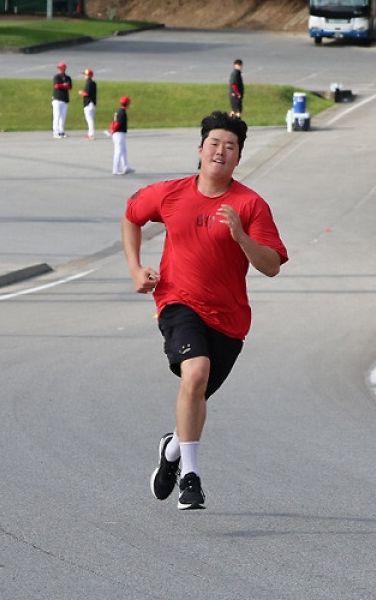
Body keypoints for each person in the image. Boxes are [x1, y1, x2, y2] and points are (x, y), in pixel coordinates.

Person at [123, 111, 289, 511]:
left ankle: (173, 450)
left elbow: (271, 266)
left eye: (230, 147)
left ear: (238, 158)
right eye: (215, 144)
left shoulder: (250, 205)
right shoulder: (171, 193)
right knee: (195, 374)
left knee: (195, 394)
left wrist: (241, 237)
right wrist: (135, 268)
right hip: (178, 303)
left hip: (230, 321)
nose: (221, 151)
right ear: (200, 150)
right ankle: (191, 477)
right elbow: (132, 215)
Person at [110, 95, 134, 175]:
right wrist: (113, 131)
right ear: (127, 103)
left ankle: (126, 166)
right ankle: (115, 169)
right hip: (119, 134)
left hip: (120, 133)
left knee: (123, 151)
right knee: (118, 151)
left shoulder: (119, 111)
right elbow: (117, 123)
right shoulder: (122, 112)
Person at [51, 62, 72, 138]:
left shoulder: (68, 78)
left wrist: (64, 86)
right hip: (57, 98)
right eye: (59, 68)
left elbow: (70, 87)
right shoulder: (56, 77)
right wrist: (64, 85)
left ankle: (61, 131)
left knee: (63, 116)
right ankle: (55, 132)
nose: (60, 70)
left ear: (64, 69)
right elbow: (56, 86)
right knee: (56, 115)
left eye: (61, 68)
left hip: (65, 99)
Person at [79, 68, 98, 139]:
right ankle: (90, 133)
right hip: (92, 103)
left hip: (88, 103)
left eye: (85, 75)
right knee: (91, 119)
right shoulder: (93, 83)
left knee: (89, 119)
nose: (84, 76)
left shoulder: (89, 83)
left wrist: (81, 92)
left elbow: (86, 93)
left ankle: (91, 134)